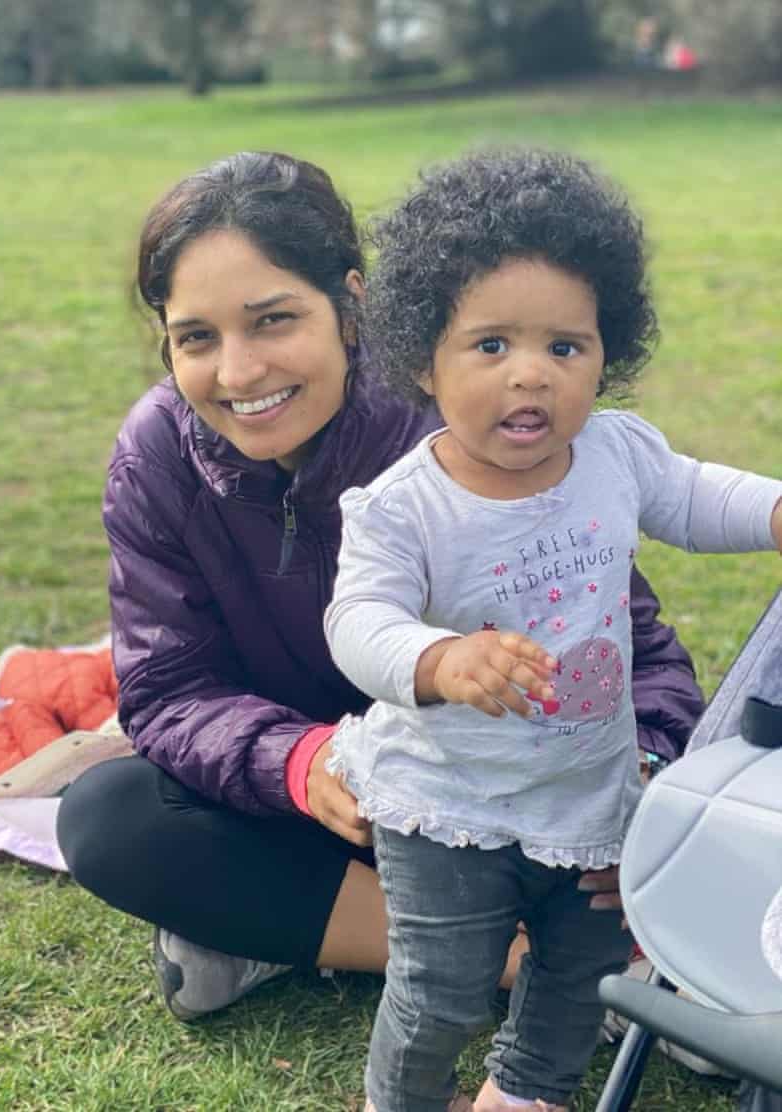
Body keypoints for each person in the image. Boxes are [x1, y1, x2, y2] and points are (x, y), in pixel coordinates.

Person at [55, 151, 705, 1030]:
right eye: (196, 337)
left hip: (510, 802)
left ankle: (286, 936)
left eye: (273, 320)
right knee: (110, 815)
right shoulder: (157, 455)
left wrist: (644, 779)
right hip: (331, 805)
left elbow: (635, 649)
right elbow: (169, 692)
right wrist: (299, 762)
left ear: (352, 306)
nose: (238, 372)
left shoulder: (470, 423)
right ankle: (561, 974)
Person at [322, 147, 782, 1112]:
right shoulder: (406, 508)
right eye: (491, 346)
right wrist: (440, 658)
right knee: (442, 987)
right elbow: (357, 620)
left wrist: (776, 512)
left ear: (607, 350)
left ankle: (522, 1094)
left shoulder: (614, 455)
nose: (530, 375)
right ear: (422, 356)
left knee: (584, 968)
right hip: (444, 798)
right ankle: (400, 1101)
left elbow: (698, 497)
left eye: (564, 348)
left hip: (586, 788)